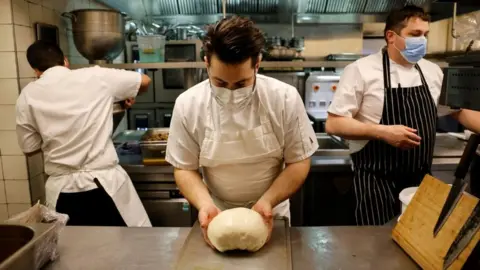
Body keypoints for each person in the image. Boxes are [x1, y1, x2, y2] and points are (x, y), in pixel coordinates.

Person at [165, 16, 318, 246]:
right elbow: (184, 168)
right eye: (220, 83)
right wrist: (205, 205)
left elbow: (299, 161)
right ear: (206, 63)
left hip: (271, 213)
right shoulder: (188, 104)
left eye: (241, 84)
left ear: (257, 63)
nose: (231, 92)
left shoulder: (283, 98)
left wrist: (267, 202)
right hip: (216, 214)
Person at [325, 5, 480, 226]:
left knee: (416, 243)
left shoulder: (432, 72)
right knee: (376, 247)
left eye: (425, 35)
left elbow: (458, 111)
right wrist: (383, 132)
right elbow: (333, 123)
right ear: (391, 36)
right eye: (415, 34)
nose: (423, 41)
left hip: (420, 181)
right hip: (375, 181)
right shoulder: (360, 70)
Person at [16, 41, 152, 227]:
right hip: (104, 186)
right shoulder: (95, 75)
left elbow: (29, 147)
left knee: (73, 253)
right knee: (125, 249)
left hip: (63, 193)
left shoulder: (27, 95)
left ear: (36, 70)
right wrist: (121, 96)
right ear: (65, 61)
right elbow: (145, 81)